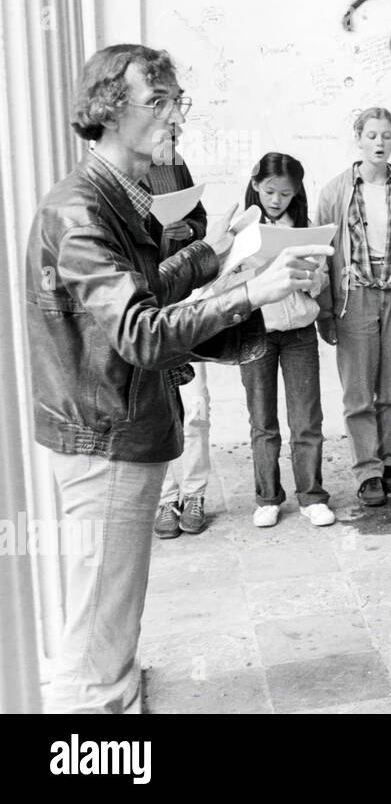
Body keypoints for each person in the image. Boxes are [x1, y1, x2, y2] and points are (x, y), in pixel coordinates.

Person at [26, 43, 332, 713]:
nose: (176, 116)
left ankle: (115, 688)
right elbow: (137, 330)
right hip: (104, 435)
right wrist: (251, 293)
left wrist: (215, 256)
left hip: (115, 422)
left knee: (112, 608)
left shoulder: (114, 195)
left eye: (177, 99)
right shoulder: (77, 209)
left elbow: (142, 290)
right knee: (94, 628)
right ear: (107, 111)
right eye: (156, 101)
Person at [316, 107, 391, 508]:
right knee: (358, 390)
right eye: (372, 135)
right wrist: (325, 310)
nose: (379, 143)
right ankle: (367, 470)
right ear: (358, 139)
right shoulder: (335, 192)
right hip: (356, 294)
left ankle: (387, 460)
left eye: (386, 135)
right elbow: (323, 254)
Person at [240, 152, 334, 528]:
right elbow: (225, 281)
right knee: (262, 419)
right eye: (268, 191)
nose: (276, 200)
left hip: (298, 332)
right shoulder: (242, 229)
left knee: (306, 417)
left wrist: (312, 278)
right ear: (255, 185)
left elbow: (320, 283)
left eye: (285, 193)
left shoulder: (306, 229)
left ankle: (312, 496)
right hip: (254, 331)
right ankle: (267, 497)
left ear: (296, 193)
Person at [146, 154, 214, 539]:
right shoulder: (121, 172)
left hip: (184, 298)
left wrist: (188, 231)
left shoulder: (176, 164)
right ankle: (164, 498)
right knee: (156, 406)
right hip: (147, 302)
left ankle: (194, 494)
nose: (174, 134)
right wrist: (161, 238)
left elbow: (199, 219)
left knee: (195, 404)